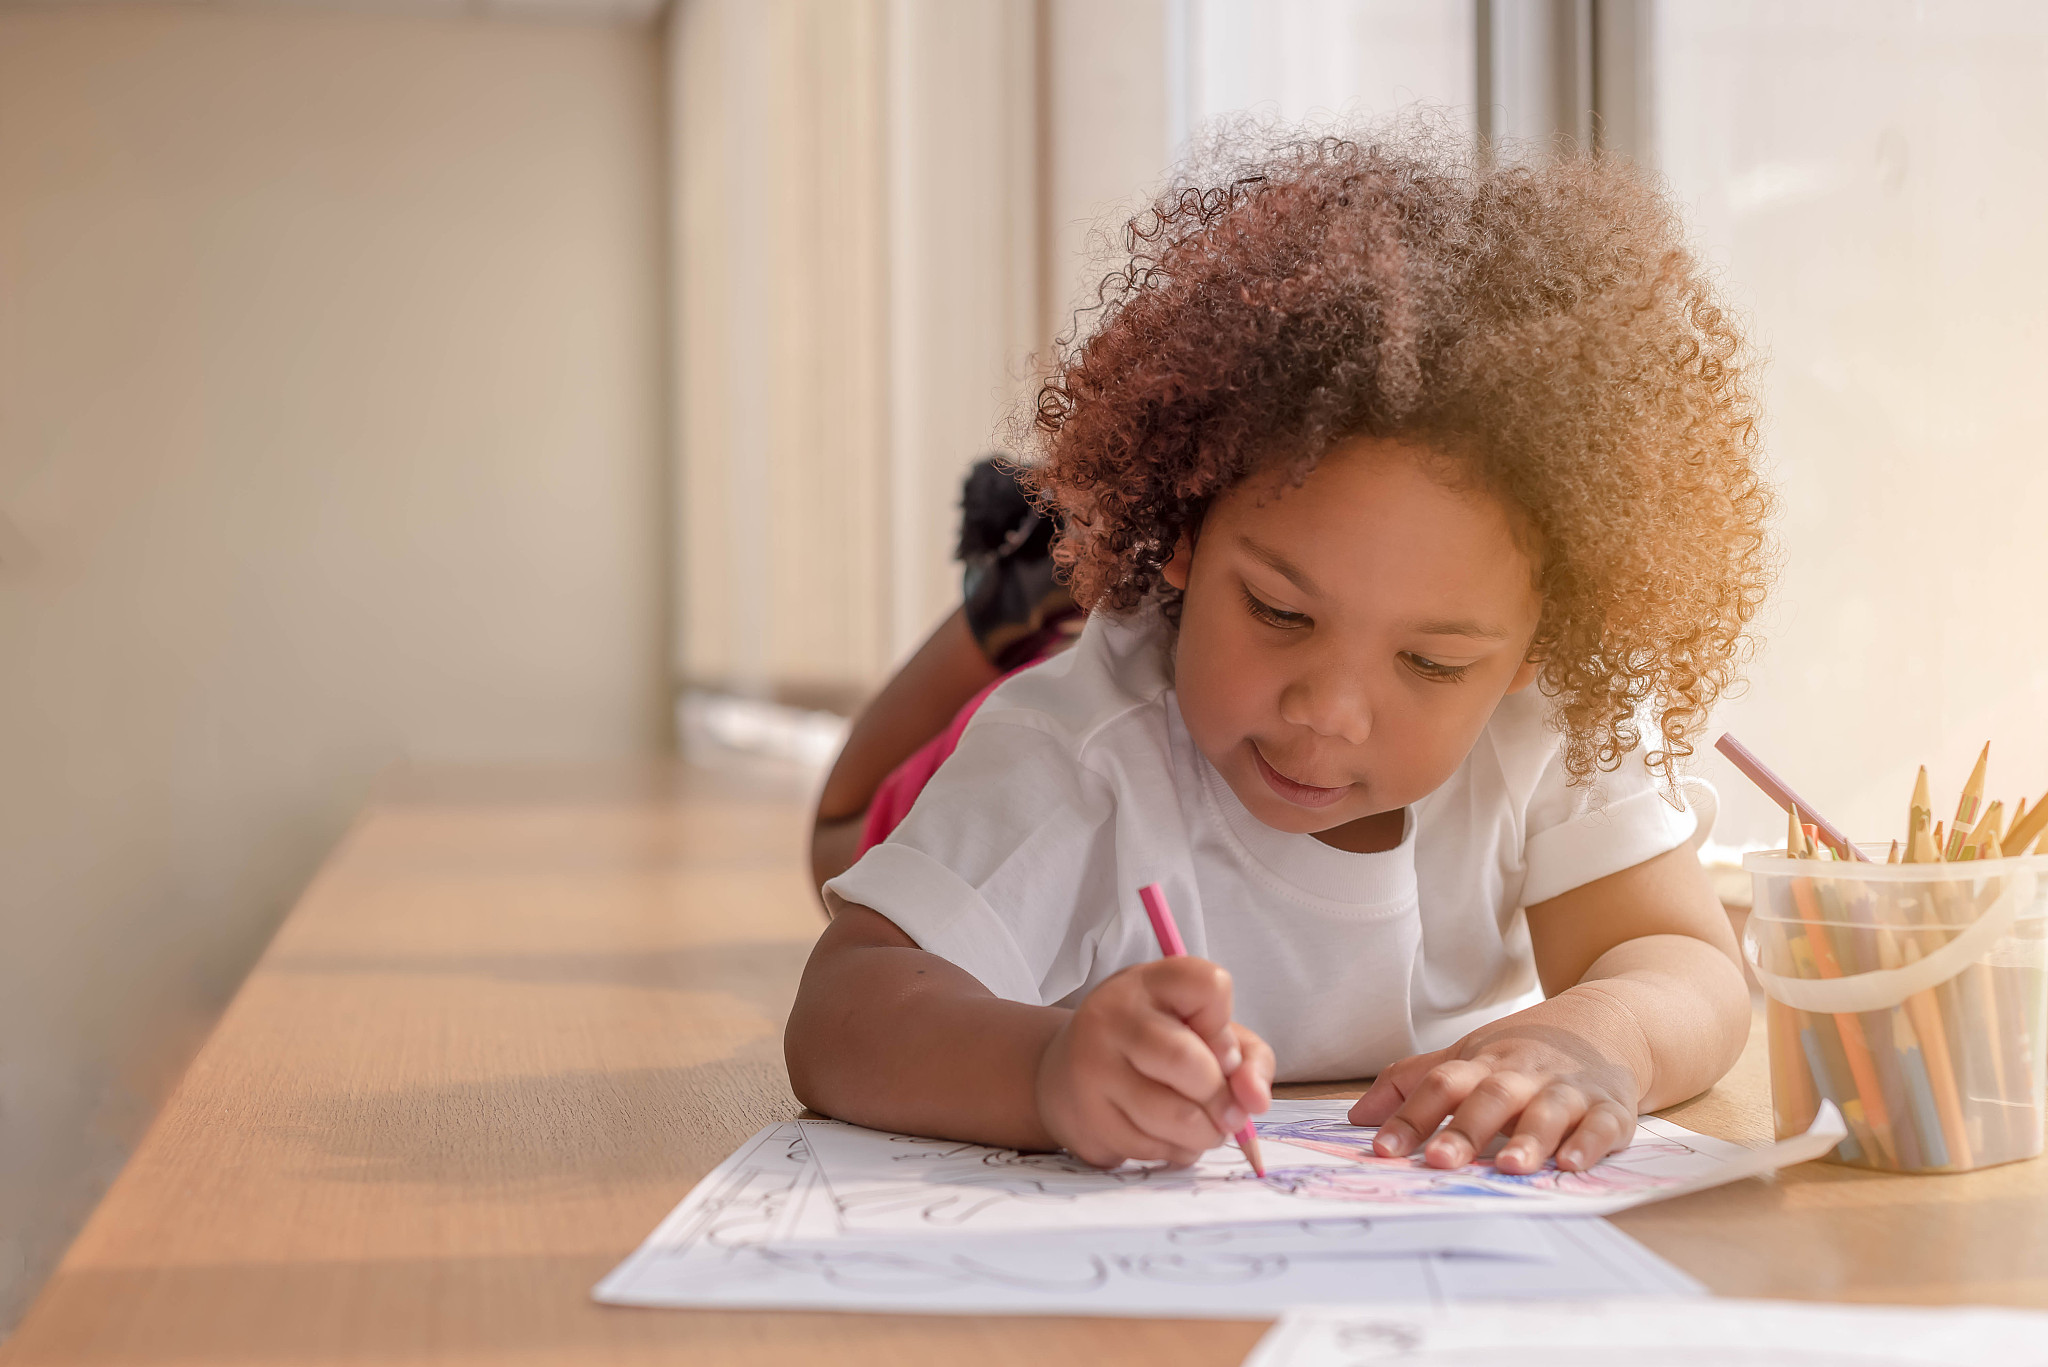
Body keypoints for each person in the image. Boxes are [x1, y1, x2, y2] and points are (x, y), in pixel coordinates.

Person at [785, 127, 1772, 1179]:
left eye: (1431, 663)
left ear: (1538, 645)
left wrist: (1592, 1042)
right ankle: (1016, 598)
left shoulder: (1541, 729)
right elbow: (842, 1008)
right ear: (1180, 534)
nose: (1329, 711)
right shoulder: (1088, 754)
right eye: (1277, 611)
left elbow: (1683, 961)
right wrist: (1046, 1069)